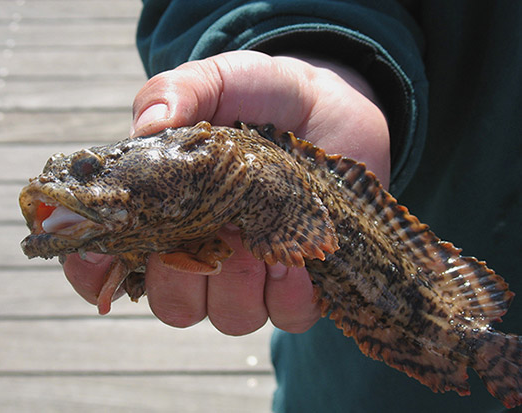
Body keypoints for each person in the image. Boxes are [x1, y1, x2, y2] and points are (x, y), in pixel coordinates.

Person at [63, 1, 521, 411]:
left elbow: (274, 202)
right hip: (362, 389)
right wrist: (302, 49)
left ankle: (480, 346)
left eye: (87, 168)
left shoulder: (205, 169)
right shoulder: (185, 182)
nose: (81, 182)